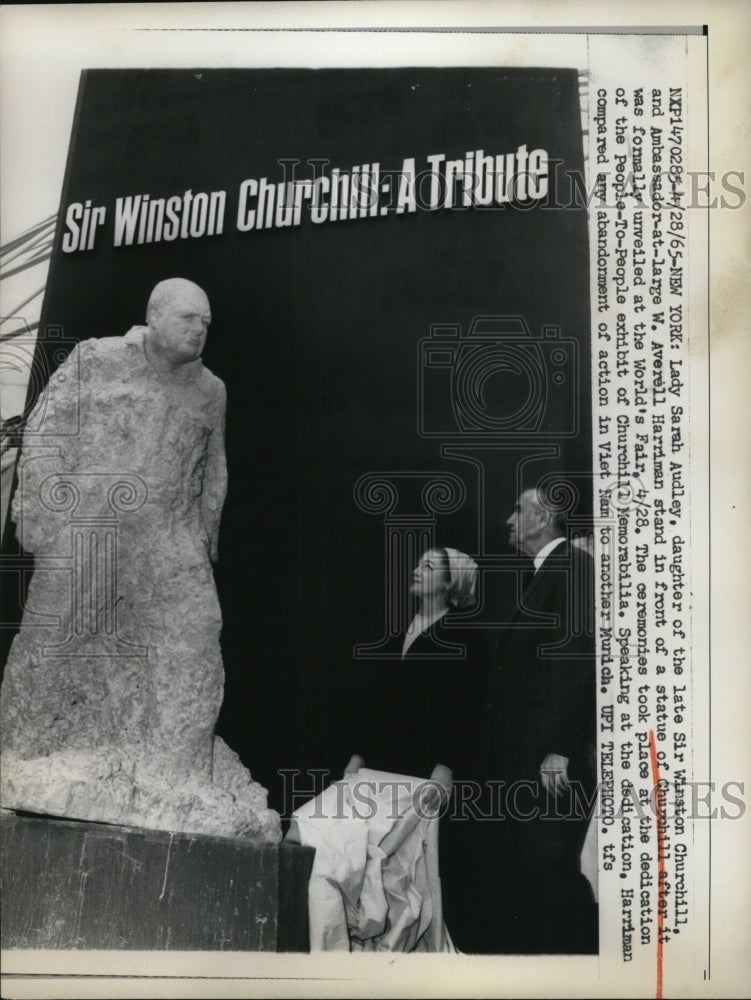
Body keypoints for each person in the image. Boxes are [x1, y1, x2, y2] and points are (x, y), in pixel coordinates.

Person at [0, 278, 280, 842]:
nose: (200, 330)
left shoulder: (210, 390)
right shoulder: (95, 359)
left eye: (206, 322)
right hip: (92, 527)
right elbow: (47, 430)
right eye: (187, 319)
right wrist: (39, 522)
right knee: (53, 641)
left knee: (195, 633)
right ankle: (21, 750)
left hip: (168, 536)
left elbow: (213, 470)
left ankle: (176, 766)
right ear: (153, 316)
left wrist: (204, 540)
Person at [346, 546, 490, 952]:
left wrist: (445, 767)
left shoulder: (467, 639)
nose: (416, 569)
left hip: (423, 773)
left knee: (410, 870)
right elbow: (374, 706)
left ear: (449, 583)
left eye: (429, 567)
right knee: (372, 862)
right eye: (418, 563)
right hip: (382, 770)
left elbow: (466, 711)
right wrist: (357, 758)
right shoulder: (398, 634)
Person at [485, 485, 597, 953]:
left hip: (547, 761)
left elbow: (573, 659)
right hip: (529, 757)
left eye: (517, 509)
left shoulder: (571, 565)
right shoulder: (545, 572)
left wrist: (559, 747)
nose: (508, 519)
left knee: (549, 874)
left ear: (545, 516)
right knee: (535, 876)